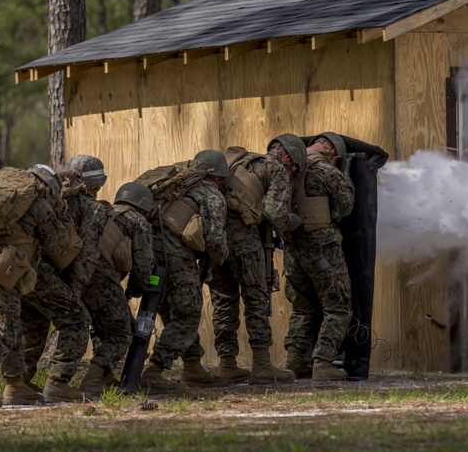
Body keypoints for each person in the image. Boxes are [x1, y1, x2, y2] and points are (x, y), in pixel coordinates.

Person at [0, 164, 78, 409]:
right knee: (3, 331)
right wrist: (61, 212)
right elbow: (59, 247)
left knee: (11, 323)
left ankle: (16, 385)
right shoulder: (36, 204)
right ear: (49, 188)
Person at [5, 155, 105, 403]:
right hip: (42, 275)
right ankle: (57, 384)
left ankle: (19, 384)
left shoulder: (35, 197)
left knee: (32, 326)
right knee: (76, 319)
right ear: (96, 186)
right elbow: (87, 257)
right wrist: (75, 291)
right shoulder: (92, 208)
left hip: (15, 270)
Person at [207, 140, 301, 385]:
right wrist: (294, 221)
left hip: (213, 233)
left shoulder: (241, 162)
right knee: (256, 296)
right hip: (243, 238)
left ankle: (226, 364)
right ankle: (261, 365)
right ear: (289, 160)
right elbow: (274, 213)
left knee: (224, 299)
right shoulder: (276, 168)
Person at [135, 152, 228, 392]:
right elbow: (216, 239)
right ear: (218, 177)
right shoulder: (211, 194)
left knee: (168, 308)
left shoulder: (174, 187)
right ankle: (154, 370)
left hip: (146, 252)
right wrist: (218, 262)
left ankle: (192, 366)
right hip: (174, 255)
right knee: (187, 312)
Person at [281, 132, 355, 381]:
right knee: (338, 305)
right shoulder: (327, 171)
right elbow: (347, 206)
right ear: (333, 152)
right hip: (322, 248)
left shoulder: (287, 167)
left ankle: (293, 362)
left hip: (292, 249)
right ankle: (323, 363)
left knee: (302, 306)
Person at [78, 181, 155, 396]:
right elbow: (143, 265)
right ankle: (93, 380)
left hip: (78, 279)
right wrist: (136, 291)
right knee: (123, 332)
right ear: (142, 206)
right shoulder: (137, 220)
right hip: (101, 278)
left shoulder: (101, 211)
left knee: (103, 327)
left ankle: (105, 377)